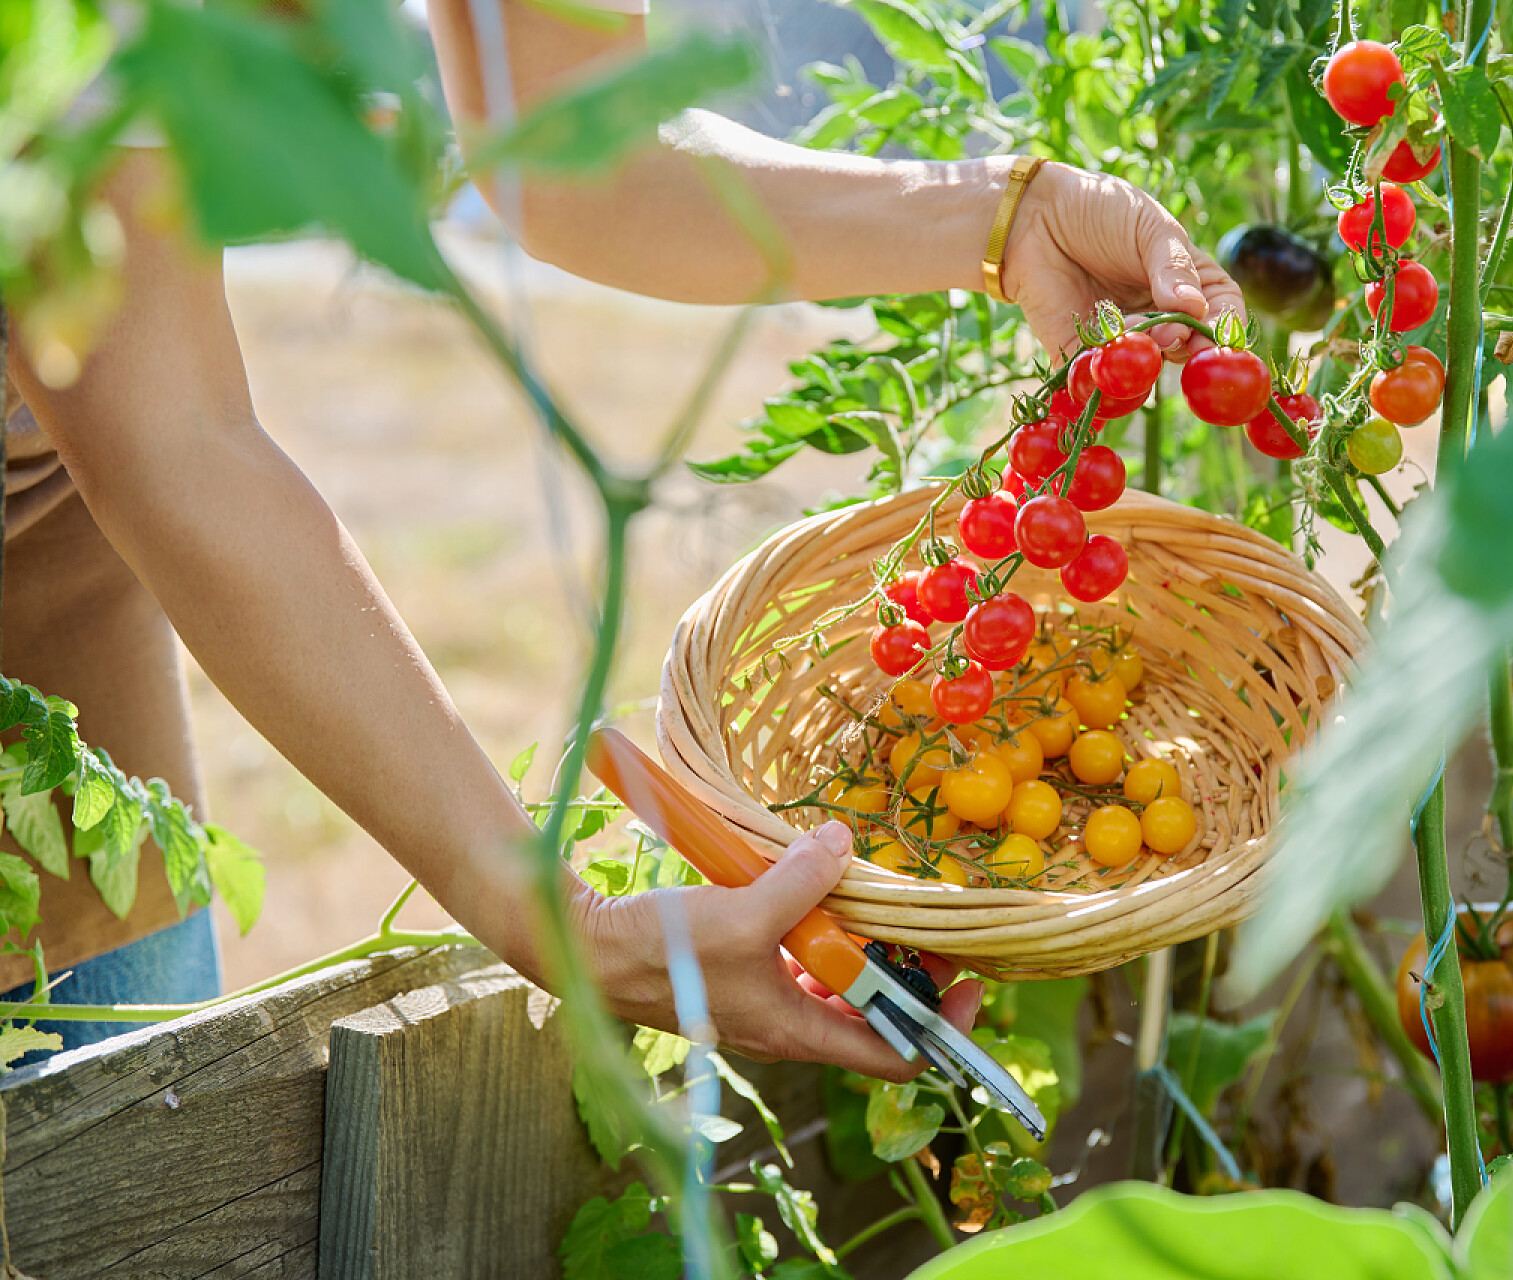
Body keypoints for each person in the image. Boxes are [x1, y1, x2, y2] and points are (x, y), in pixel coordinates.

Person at [1, 0, 1244, 1078]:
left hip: (44, 520)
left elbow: (579, 153)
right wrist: (555, 920)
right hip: (85, 440)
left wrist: (1000, 217)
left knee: (101, 1099)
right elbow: (175, 442)